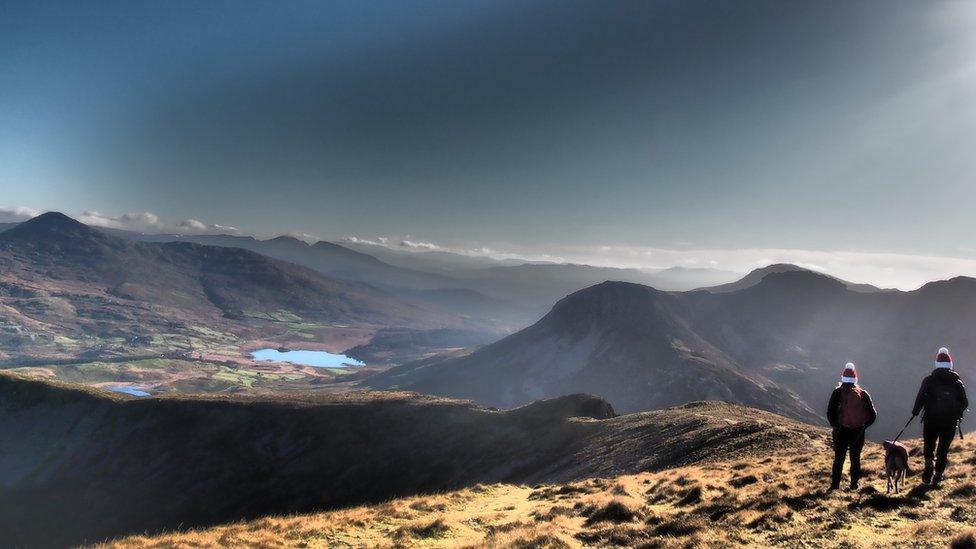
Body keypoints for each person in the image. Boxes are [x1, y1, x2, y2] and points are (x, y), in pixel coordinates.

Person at [912, 347, 968, 486]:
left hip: (931, 419)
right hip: (949, 422)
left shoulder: (929, 380)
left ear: (937, 364)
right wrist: (957, 413)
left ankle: (929, 463)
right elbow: (965, 402)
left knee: (929, 445)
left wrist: (915, 412)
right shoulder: (957, 382)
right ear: (950, 364)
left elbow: (920, 398)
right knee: (943, 449)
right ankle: (938, 475)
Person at [826, 362, 877, 491]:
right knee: (855, 458)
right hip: (858, 431)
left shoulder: (837, 392)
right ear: (855, 378)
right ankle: (854, 485)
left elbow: (830, 411)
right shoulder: (863, 393)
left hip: (842, 430)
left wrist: (836, 426)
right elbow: (873, 414)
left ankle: (835, 486)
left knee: (839, 458)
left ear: (842, 377)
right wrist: (864, 426)